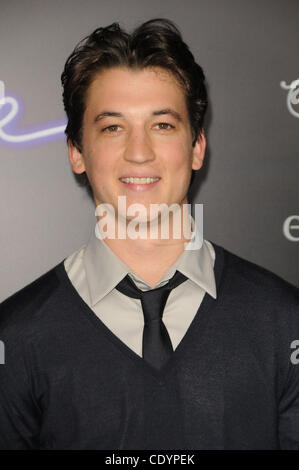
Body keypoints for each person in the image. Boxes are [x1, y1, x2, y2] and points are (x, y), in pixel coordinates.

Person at [0, 18, 298, 451]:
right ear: (76, 153)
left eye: (162, 125)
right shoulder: (15, 338)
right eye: (112, 127)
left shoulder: (285, 323)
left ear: (197, 147)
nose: (138, 153)